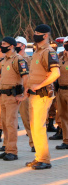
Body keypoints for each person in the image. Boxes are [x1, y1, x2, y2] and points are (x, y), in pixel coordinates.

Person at [25, 24, 60, 170]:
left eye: (38, 32)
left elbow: (56, 73)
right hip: (34, 95)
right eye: (34, 32)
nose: (35, 34)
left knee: (38, 127)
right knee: (34, 127)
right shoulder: (37, 52)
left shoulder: (49, 52)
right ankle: (39, 157)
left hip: (43, 94)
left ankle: (45, 160)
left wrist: (39, 85)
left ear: (45, 35)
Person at [0, 36, 29, 161]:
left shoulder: (18, 60)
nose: (2, 46)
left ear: (11, 46)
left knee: (11, 124)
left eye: (4, 44)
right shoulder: (5, 60)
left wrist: (24, 95)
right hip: (3, 95)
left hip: (13, 96)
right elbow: (3, 78)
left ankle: (12, 151)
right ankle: (7, 148)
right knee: (5, 123)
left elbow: (26, 78)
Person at [15, 36, 35, 152]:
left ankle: (34, 143)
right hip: (13, 91)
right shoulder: (12, 58)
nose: (15, 46)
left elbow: (29, 76)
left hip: (24, 91)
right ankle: (8, 145)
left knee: (27, 118)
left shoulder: (28, 59)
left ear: (23, 46)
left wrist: (25, 92)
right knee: (12, 120)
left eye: (17, 44)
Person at [56, 36, 68, 150]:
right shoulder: (60, 58)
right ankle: (66, 140)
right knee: (63, 116)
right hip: (61, 90)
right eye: (66, 43)